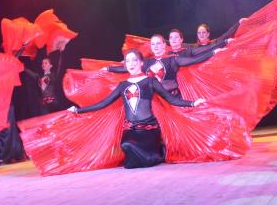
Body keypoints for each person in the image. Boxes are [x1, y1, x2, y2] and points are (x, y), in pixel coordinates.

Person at [70, 50, 205, 169]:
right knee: (126, 145)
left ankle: (157, 152)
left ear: (141, 63)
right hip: (130, 129)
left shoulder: (150, 81)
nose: (131, 64)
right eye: (128, 61)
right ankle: (153, 154)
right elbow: (104, 103)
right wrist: (77, 110)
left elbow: (171, 99)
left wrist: (193, 103)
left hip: (149, 128)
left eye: (134, 60)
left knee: (134, 155)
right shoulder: (122, 85)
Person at [106, 34, 222, 96]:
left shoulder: (173, 60)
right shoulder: (146, 62)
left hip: (172, 99)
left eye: (158, 43)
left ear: (163, 45)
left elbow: (194, 60)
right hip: (154, 102)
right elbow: (126, 68)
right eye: (153, 44)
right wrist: (108, 68)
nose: (155, 46)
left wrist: (213, 52)